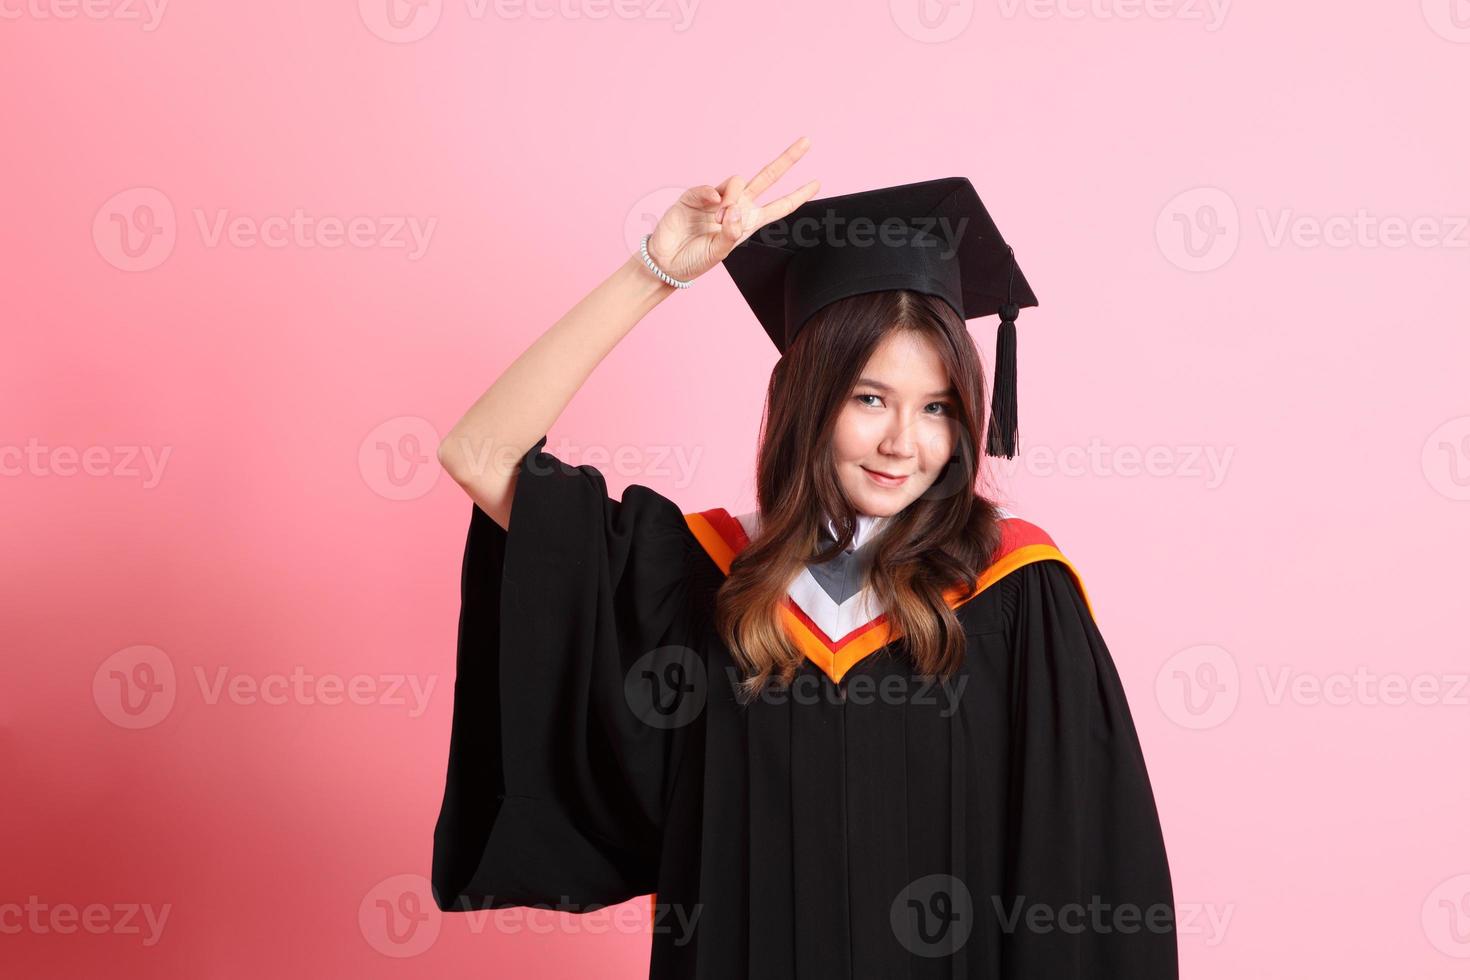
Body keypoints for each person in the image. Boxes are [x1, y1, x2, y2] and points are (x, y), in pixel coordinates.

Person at [430, 136, 1179, 979]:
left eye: (936, 407)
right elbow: (481, 454)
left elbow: (1084, 877)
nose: (905, 442)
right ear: (805, 401)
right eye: (869, 399)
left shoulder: (1017, 593)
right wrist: (657, 270)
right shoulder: (697, 581)